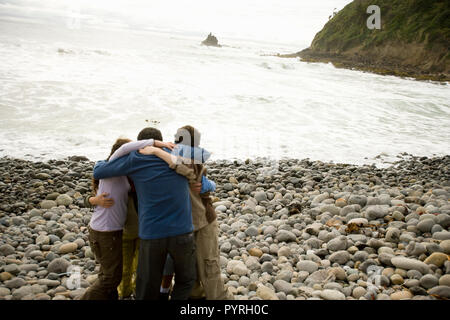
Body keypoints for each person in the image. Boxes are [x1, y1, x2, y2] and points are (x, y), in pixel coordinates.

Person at [92, 127, 197, 300]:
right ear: (161, 139)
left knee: (147, 285)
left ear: (140, 143)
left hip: (152, 233)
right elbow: (196, 171)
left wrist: (100, 163)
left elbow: (100, 172)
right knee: (186, 280)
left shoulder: (136, 158)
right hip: (183, 230)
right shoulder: (178, 154)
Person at [140, 125, 230, 300]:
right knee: (190, 268)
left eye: (177, 138)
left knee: (209, 265)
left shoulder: (190, 159)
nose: (173, 140)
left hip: (203, 221)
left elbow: (186, 169)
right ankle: (196, 297)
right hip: (185, 224)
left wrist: (158, 151)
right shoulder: (176, 157)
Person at [81, 137, 170, 300]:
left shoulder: (121, 173)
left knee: (110, 274)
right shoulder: (109, 170)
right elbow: (124, 149)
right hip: (105, 232)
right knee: (110, 278)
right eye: (132, 153)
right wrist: (158, 144)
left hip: (110, 231)